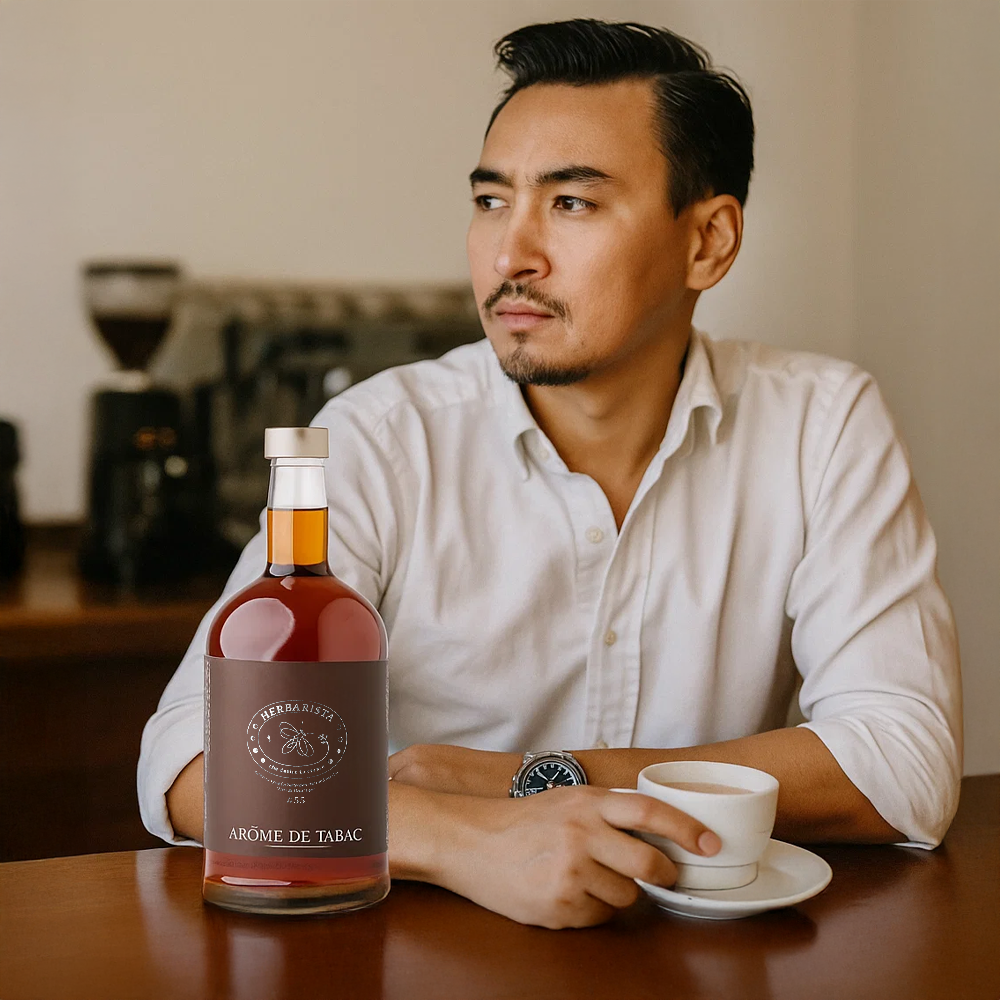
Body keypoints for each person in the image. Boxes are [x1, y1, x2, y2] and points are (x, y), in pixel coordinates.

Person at [138, 19, 962, 929]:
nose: (509, 255)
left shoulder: (823, 423)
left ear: (709, 242)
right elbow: (188, 762)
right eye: (492, 201)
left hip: (708, 957)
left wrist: (532, 782)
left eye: (571, 203)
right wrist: (458, 836)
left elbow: (903, 762)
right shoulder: (379, 437)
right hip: (415, 950)